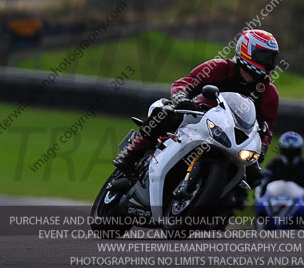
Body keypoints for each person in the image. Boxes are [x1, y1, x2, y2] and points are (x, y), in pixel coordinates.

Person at [112, 29, 281, 189]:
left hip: (233, 136)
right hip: (197, 115)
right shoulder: (220, 67)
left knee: (251, 177)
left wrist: (262, 149)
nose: (268, 63)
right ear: (246, 50)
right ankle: (130, 154)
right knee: (164, 114)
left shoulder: (269, 93)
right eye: (263, 56)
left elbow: (267, 127)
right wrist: (181, 99)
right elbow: (184, 83)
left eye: (271, 58)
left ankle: (218, 208)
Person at [255, 131, 304, 209]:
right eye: (287, 152)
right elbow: (261, 184)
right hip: (275, 203)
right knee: (260, 218)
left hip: (299, 204)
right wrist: (258, 200)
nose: (290, 155)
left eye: (293, 152)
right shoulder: (274, 164)